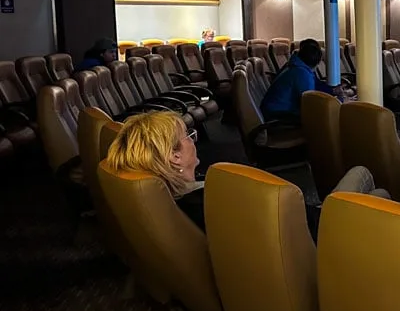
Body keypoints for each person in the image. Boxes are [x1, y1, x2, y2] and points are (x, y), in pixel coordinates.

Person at [105, 111, 385, 238]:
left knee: (375, 198)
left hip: (303, 223)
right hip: (317, 230)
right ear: (174, 155)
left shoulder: (179, 198)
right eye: (188, 136)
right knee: (368, 180)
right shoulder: (212, 198)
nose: (194, 140)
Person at [260, 39, 339, 121]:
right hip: (278, 116)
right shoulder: (301, 73)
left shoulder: (295, 66)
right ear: (317, 63)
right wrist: (337, 102)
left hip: (277, 113)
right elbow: (311, 104)